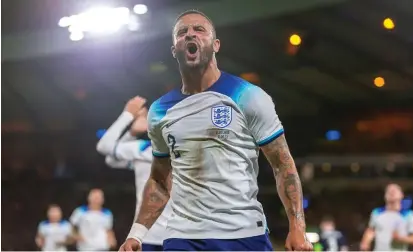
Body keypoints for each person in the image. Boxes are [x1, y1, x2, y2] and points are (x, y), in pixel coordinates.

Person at [120, 9, 312, 251]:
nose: (190, 35)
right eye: (182, 33)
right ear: (174, 50)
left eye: (199, 30)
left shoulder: (249, 96)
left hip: (243, 233)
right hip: (182, 236)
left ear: (216, 45)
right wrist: (136, 234)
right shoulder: (159, 111)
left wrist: (298, 228)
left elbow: (282, 164)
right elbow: (159, 179)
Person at [97, 96, 172, 251]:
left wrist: (128, 116)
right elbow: (112, 160)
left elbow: (104, 147)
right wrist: (132, 133)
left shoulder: (144, 150)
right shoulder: (189, 152)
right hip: (177, 236)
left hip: (148, 236)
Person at [360, 183, 413, 251]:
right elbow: (371, 231)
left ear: (401, 195)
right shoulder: (376, 213)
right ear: (385, 196)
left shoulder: (408, 214)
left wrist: (401, 239)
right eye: (389, 191)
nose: (391, 192)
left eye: (394, 191)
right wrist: (365, 243)